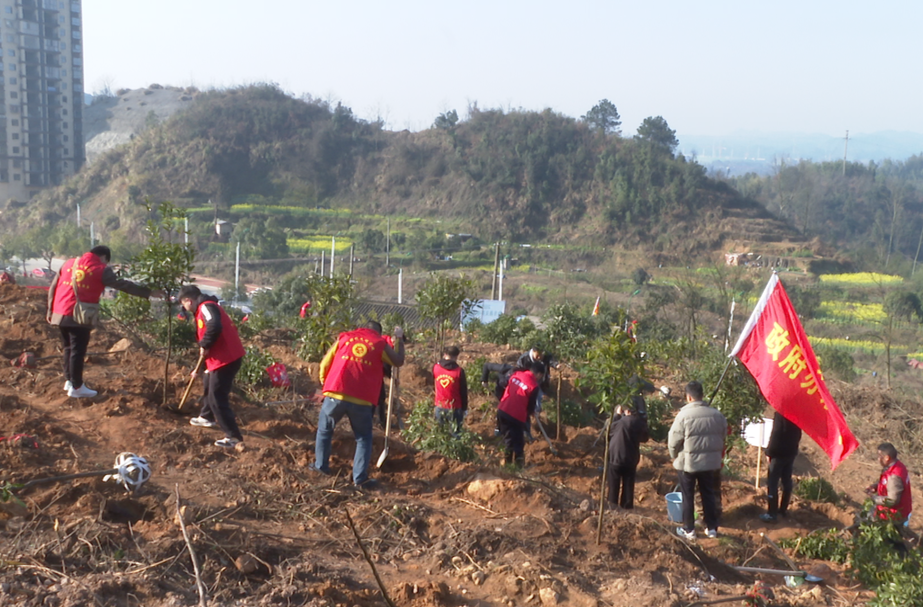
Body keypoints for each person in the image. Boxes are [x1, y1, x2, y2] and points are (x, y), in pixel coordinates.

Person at [47, 245, 157, 398]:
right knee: (78, 351)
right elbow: (123, 285)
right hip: (80, 315)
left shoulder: (69, 263)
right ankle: (77, 387)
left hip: (60, 312)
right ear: (104, 257)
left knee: (68, 348)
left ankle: (69, 381)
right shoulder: (100, 269)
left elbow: (54, 286)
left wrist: (50, 310)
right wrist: (148, 292)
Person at [313, 320, 405, 487]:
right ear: (378, 332)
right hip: (362, 399)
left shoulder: (345, 337)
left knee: (324, 431)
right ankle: (360, 479)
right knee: (363, 438)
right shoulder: (379, 343)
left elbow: (325, 363)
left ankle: (321, 467)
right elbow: (397, 361)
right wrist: (399, 339)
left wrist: (325, 386)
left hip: (336, 393)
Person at [178, 285, 247, 449]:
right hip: (218, 359)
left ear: (189, 300)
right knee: (208, 383)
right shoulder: (204, 308)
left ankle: (233, 436)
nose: (184, 308)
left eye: (184, 303)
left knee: (217, 397)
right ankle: (206, 416)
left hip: (226, 358)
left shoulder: (206, 307)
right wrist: (200, 369)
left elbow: (214, 326)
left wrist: (204, 344)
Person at [668, 380, 728, 540]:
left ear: (688, 397)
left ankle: (689, 530)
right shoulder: (717, 415)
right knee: (707, 493)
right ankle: (712, 528)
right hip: (710, 463)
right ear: (702, 396)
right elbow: (723, 435)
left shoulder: (683, 416)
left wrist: (673, 454)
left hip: (688, 464)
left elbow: (673, 440)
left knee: (688, 495)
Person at [497, 361, 545, 468]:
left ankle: (508, 464)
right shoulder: (534, 386)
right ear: (539, 374)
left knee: (508, 439)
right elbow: (530, 406)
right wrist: (532, 412)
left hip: (502, 411)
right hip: (516, 416)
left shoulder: (517, 374)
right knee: (518, 442)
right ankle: (519, 467)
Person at [760, 411, 802, 522]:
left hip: (778, 453)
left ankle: (772, 513)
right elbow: (798, 433)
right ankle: (783, 510)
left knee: (772, 483)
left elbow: (776, 433)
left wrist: (769, 452)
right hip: (791, 452)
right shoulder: (798, 414)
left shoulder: (781, 413)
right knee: (786, 481)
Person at [607, 403, 650, 509]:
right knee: (628, 485)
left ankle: (612, 506)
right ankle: (627, 507)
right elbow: (645, 438)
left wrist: (617, 415)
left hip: (616, 458)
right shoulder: (639, 424)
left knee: (613, 485)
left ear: (626, 411)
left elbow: (609, 431)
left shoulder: (619, 423)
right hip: (631, 458)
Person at [865, 442, 913, 524]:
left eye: (880, 456)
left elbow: (892, 500)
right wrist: (876, 486)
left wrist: (874, 498)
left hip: (893, 515)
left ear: (887, 458)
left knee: (869, 521)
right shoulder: (897, 465)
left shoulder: (894, 476)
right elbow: (887, 482)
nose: (878, 459)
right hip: (898, 511)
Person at [433, 346, 468, 436]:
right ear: (456, 356)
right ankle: (456, 450)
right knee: (456, 434)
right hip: (455, 407)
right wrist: (464, 408)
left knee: (440, 434)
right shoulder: (459, 371)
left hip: (439, 405)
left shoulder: (436, 367)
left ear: (445, 355)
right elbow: (463, 391)